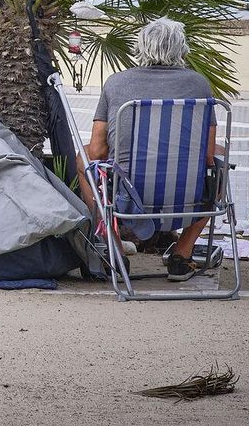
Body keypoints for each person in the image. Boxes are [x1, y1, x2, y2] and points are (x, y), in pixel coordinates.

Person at [85, 17, 221, 282]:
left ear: (141, 47)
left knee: (83, 161)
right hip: (185, 198)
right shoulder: (199, 84)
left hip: (128, 195)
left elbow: (98, 151)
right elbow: (206, 155)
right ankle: (182, 253)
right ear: (181, 49)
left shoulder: (116, 83)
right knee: (221, 166)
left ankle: (114, 251)